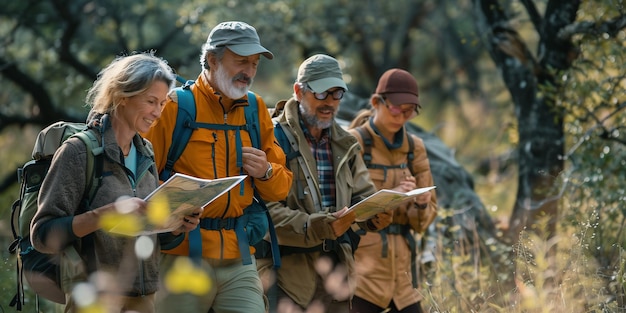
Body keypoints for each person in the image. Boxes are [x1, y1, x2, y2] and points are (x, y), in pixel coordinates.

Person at [30, 52, 201, 313]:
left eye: (163, 104)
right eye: (151, 101)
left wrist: (177, 225)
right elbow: (42, 235)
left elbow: (152, 234)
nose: (158, 112)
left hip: (144, 298)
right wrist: (106, 214)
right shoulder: (78, 152)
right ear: (122, 97)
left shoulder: (146, 152)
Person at [142, 21, 293, 313]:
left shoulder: (256, 108)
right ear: (212, 59)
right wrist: (172, 210)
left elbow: (281, 187)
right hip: (180, 257)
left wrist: (266, 172)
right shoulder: (174, 107)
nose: (248, 71)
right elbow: (141, 182)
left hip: (239, 259)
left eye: (254, 64)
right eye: (241, 61)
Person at [256, 54, 392, 313]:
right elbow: (263, 211)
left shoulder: (346, 143)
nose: (330, 102)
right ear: (298, 91)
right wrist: (317, 226)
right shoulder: (272, 137)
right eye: (321, 94)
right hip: (286, 276)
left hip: (338, 273)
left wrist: (376, 214)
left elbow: (364, 196)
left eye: (337, 94)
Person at [346, 68, 438, 313]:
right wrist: (392, 195)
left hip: (404, 279)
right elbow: (343, 211)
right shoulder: (353, 143)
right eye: (397, 108)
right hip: (363, 277)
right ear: (377, 102)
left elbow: (423, 223)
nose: (402, 117)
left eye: (409, 111)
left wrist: (421, 203)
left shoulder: (415, 148)